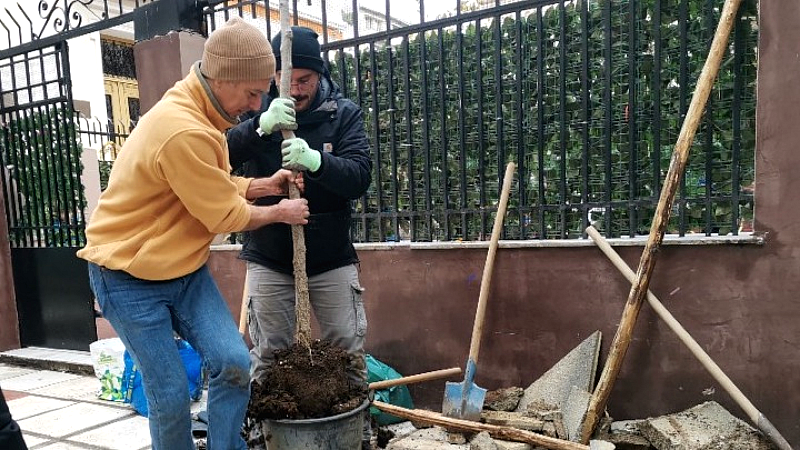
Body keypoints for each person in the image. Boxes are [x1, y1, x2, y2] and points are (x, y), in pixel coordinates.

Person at [77, 17, 309, 450]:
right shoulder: (182, 127)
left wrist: (262, 185)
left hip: (181, 270)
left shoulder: (203, 111)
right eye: (253, 92)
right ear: (222, 79)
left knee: (233, 362)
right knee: (168, 395)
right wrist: (282, 211)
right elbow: (223, 215)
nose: (258, 106)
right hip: (127, 275)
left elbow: (206, 186)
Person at [226, 26, 373, 448]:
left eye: (304, 81)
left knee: (347, 347)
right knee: (268, 352)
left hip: (330, 257)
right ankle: (262, 436)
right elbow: (218, 157)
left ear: (319, 75)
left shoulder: (342, 114)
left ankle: (356, 434)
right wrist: (259, 128)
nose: (295, 90)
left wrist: (317, 162)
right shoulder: (258, 113)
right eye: (285, 82)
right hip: (271, 255)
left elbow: (359, 176)